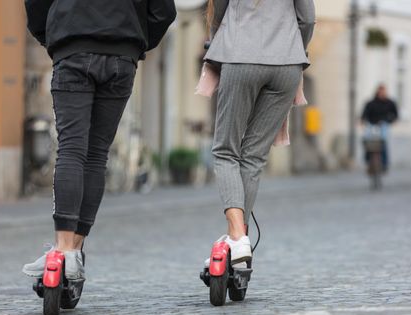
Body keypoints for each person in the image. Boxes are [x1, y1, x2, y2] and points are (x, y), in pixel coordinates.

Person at [22, 0, 176, 281]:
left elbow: (35, 4)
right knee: (95, 156)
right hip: (122, 53)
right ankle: (74, 251)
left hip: (72, 46)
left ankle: (64, 249)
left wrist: (53, 36)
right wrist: (135, 42)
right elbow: (164, 11)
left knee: (71, 149)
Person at [202, 0, 316, 266]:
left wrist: (216, 40)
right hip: (288, 65)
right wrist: (294, 48)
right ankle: (239, 241)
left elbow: (218, 13)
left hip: (240, 57)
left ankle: (237, 235)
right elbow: (307, 19)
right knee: (253, 157)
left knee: (226, 151)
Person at [361, 84, 399, 171]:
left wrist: (391, 120)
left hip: (383, 125)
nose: (382, 93)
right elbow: (364, 114)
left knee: (383, 142)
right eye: (380, 91)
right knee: (367, 140)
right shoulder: (371, 103)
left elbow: (395, 114)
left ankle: (384, 163)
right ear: (377, 92)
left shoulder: (389, 103)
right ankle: (368, 160)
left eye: (383, 91)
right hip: (372, 125)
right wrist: (363, 120)